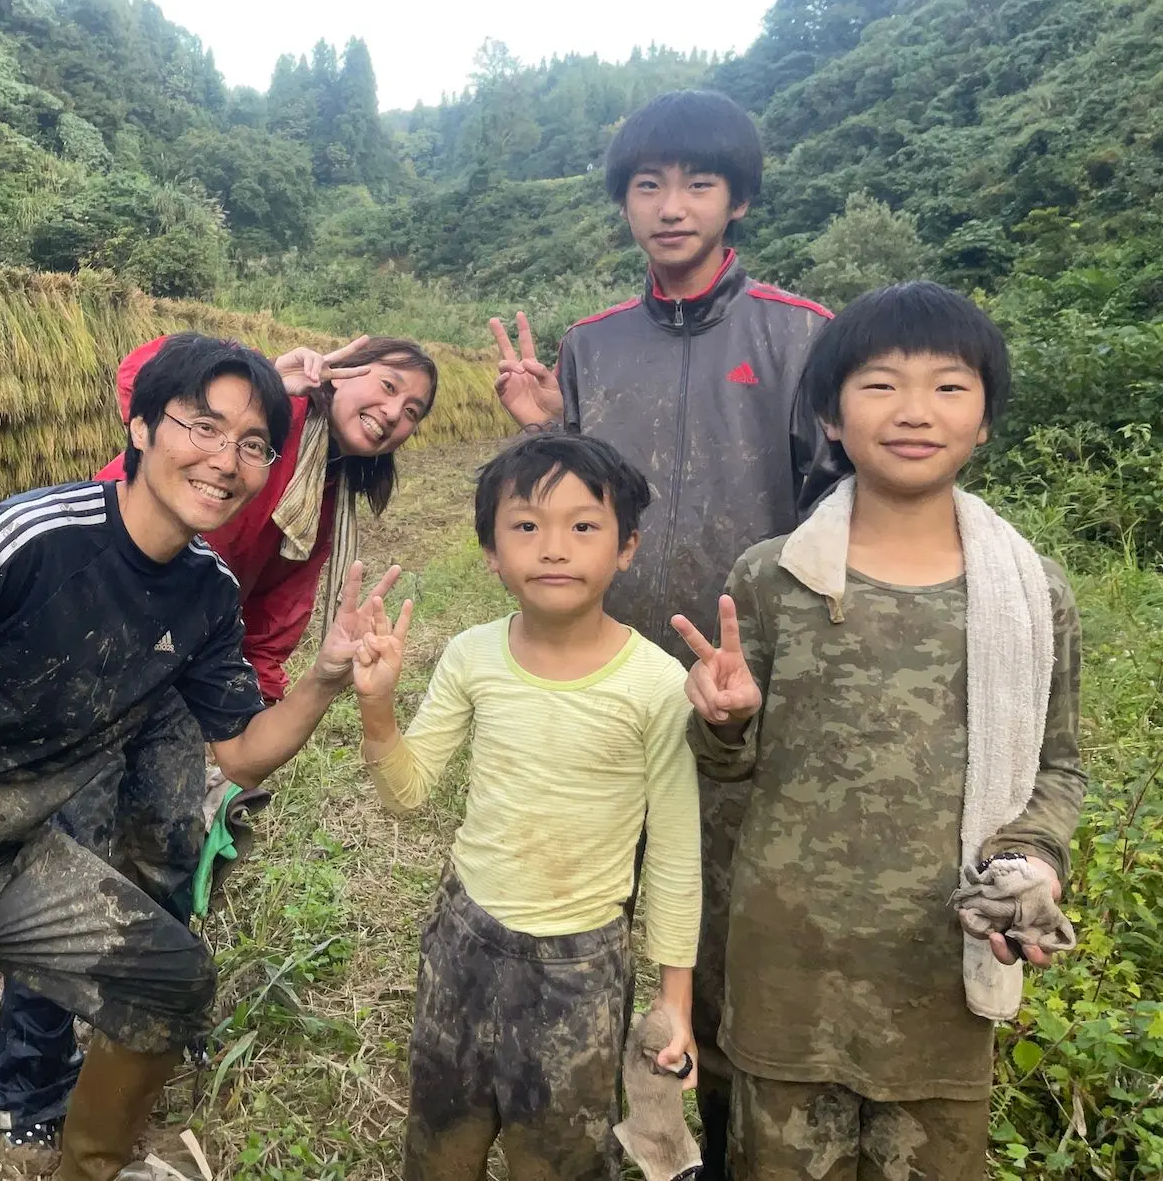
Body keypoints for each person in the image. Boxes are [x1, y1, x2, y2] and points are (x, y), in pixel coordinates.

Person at [0, 333, 410, 1181]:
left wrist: (324, 680)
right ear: (140, 427)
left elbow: (241, 754)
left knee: (172, 983)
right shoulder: (29, 538)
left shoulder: (206, 593)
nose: (225, 460)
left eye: (252, 445)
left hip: (13, 862)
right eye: (202, 427)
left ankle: (88, 1166)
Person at [488, 89, 835, 1174]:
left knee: (730, 937)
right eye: (647, 185)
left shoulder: (801, 335)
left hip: (748, 698)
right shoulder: (594, 346)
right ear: (625, 204)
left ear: (737, 199)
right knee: (589, 923)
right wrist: (554, 431)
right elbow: (578, 503)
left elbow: (838, 511)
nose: (671, 206)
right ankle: (590, 1137)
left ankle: (725, 1141)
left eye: (697, 183)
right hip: (610, 686)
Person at [0, 333, 440, 1147]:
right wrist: (268, 369)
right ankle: (26, 1084)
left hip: (182, 666)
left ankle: (145, 1020)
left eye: (412, 413)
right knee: (69, 867)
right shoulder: (272, 411)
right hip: (96, 628)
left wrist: (243, 719)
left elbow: (276, 610)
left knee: (168, 852)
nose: (394, 413)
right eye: (387, 386)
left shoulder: (322, 488)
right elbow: (143, 376)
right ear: (343, 367)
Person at [673, 281, 1084, 1179]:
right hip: (787, 968)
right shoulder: (774, 578)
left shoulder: (1030, 593)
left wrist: (1030, 860)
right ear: (830, 414)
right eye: (879, 384)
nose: (913, 411)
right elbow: (722, 775)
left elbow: (1058, 766)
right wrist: (724, 723)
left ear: (985, 419)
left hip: (941, 976)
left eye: (949, 386)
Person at [354, 432, 701, 1180]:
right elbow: (408, 793)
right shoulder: (472, 656)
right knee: (442, 1139)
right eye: (526, 526)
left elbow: (674, 849)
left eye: (583, 526)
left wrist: (676, 1000)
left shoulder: (657, 685)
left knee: (560, 1157)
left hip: (583, 962)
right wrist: (378, 709)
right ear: (490, 552)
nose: (553, 548)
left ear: (627, 547)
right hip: (464, 940)